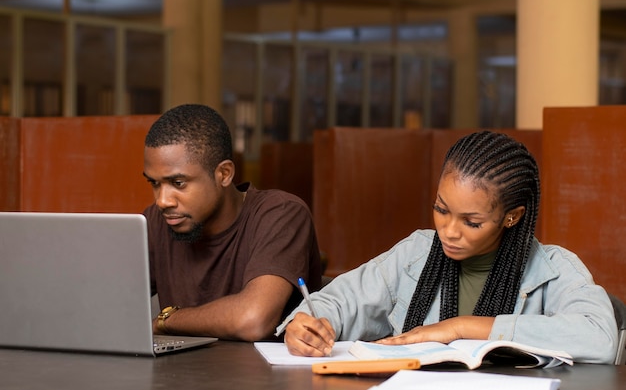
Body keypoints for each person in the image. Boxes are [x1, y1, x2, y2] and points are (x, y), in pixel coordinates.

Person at [278, 130, 618, 363]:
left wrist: (457, 328)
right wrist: (307, 323)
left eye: (471, 222)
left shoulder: (553, 270)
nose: (448, 231)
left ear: (511, 217)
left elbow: (599, 337)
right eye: (441, 210)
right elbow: (340, 301)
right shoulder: (415, 255)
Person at [143, 103, 322, 341]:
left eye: (178, 183)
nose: (163, 201)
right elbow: (106, 305)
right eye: (154, 183)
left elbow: (253, 319)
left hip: (264, 377)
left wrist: (167, 321)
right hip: (176, 375)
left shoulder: (281, 214)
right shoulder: (157, 221)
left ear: (224, 174)